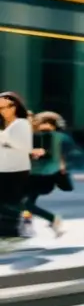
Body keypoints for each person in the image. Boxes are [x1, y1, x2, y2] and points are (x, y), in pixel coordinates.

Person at [0, 92, 33, 240]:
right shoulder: (5, 125)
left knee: (11, 202)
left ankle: (13, 231)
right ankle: (14, 228)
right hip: (3, 168)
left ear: (16, 106)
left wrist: (4, 138)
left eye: (9, 106)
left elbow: (25, 147)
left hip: (16, 169)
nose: (5, 110)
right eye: (1, 107)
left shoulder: (22, 123)